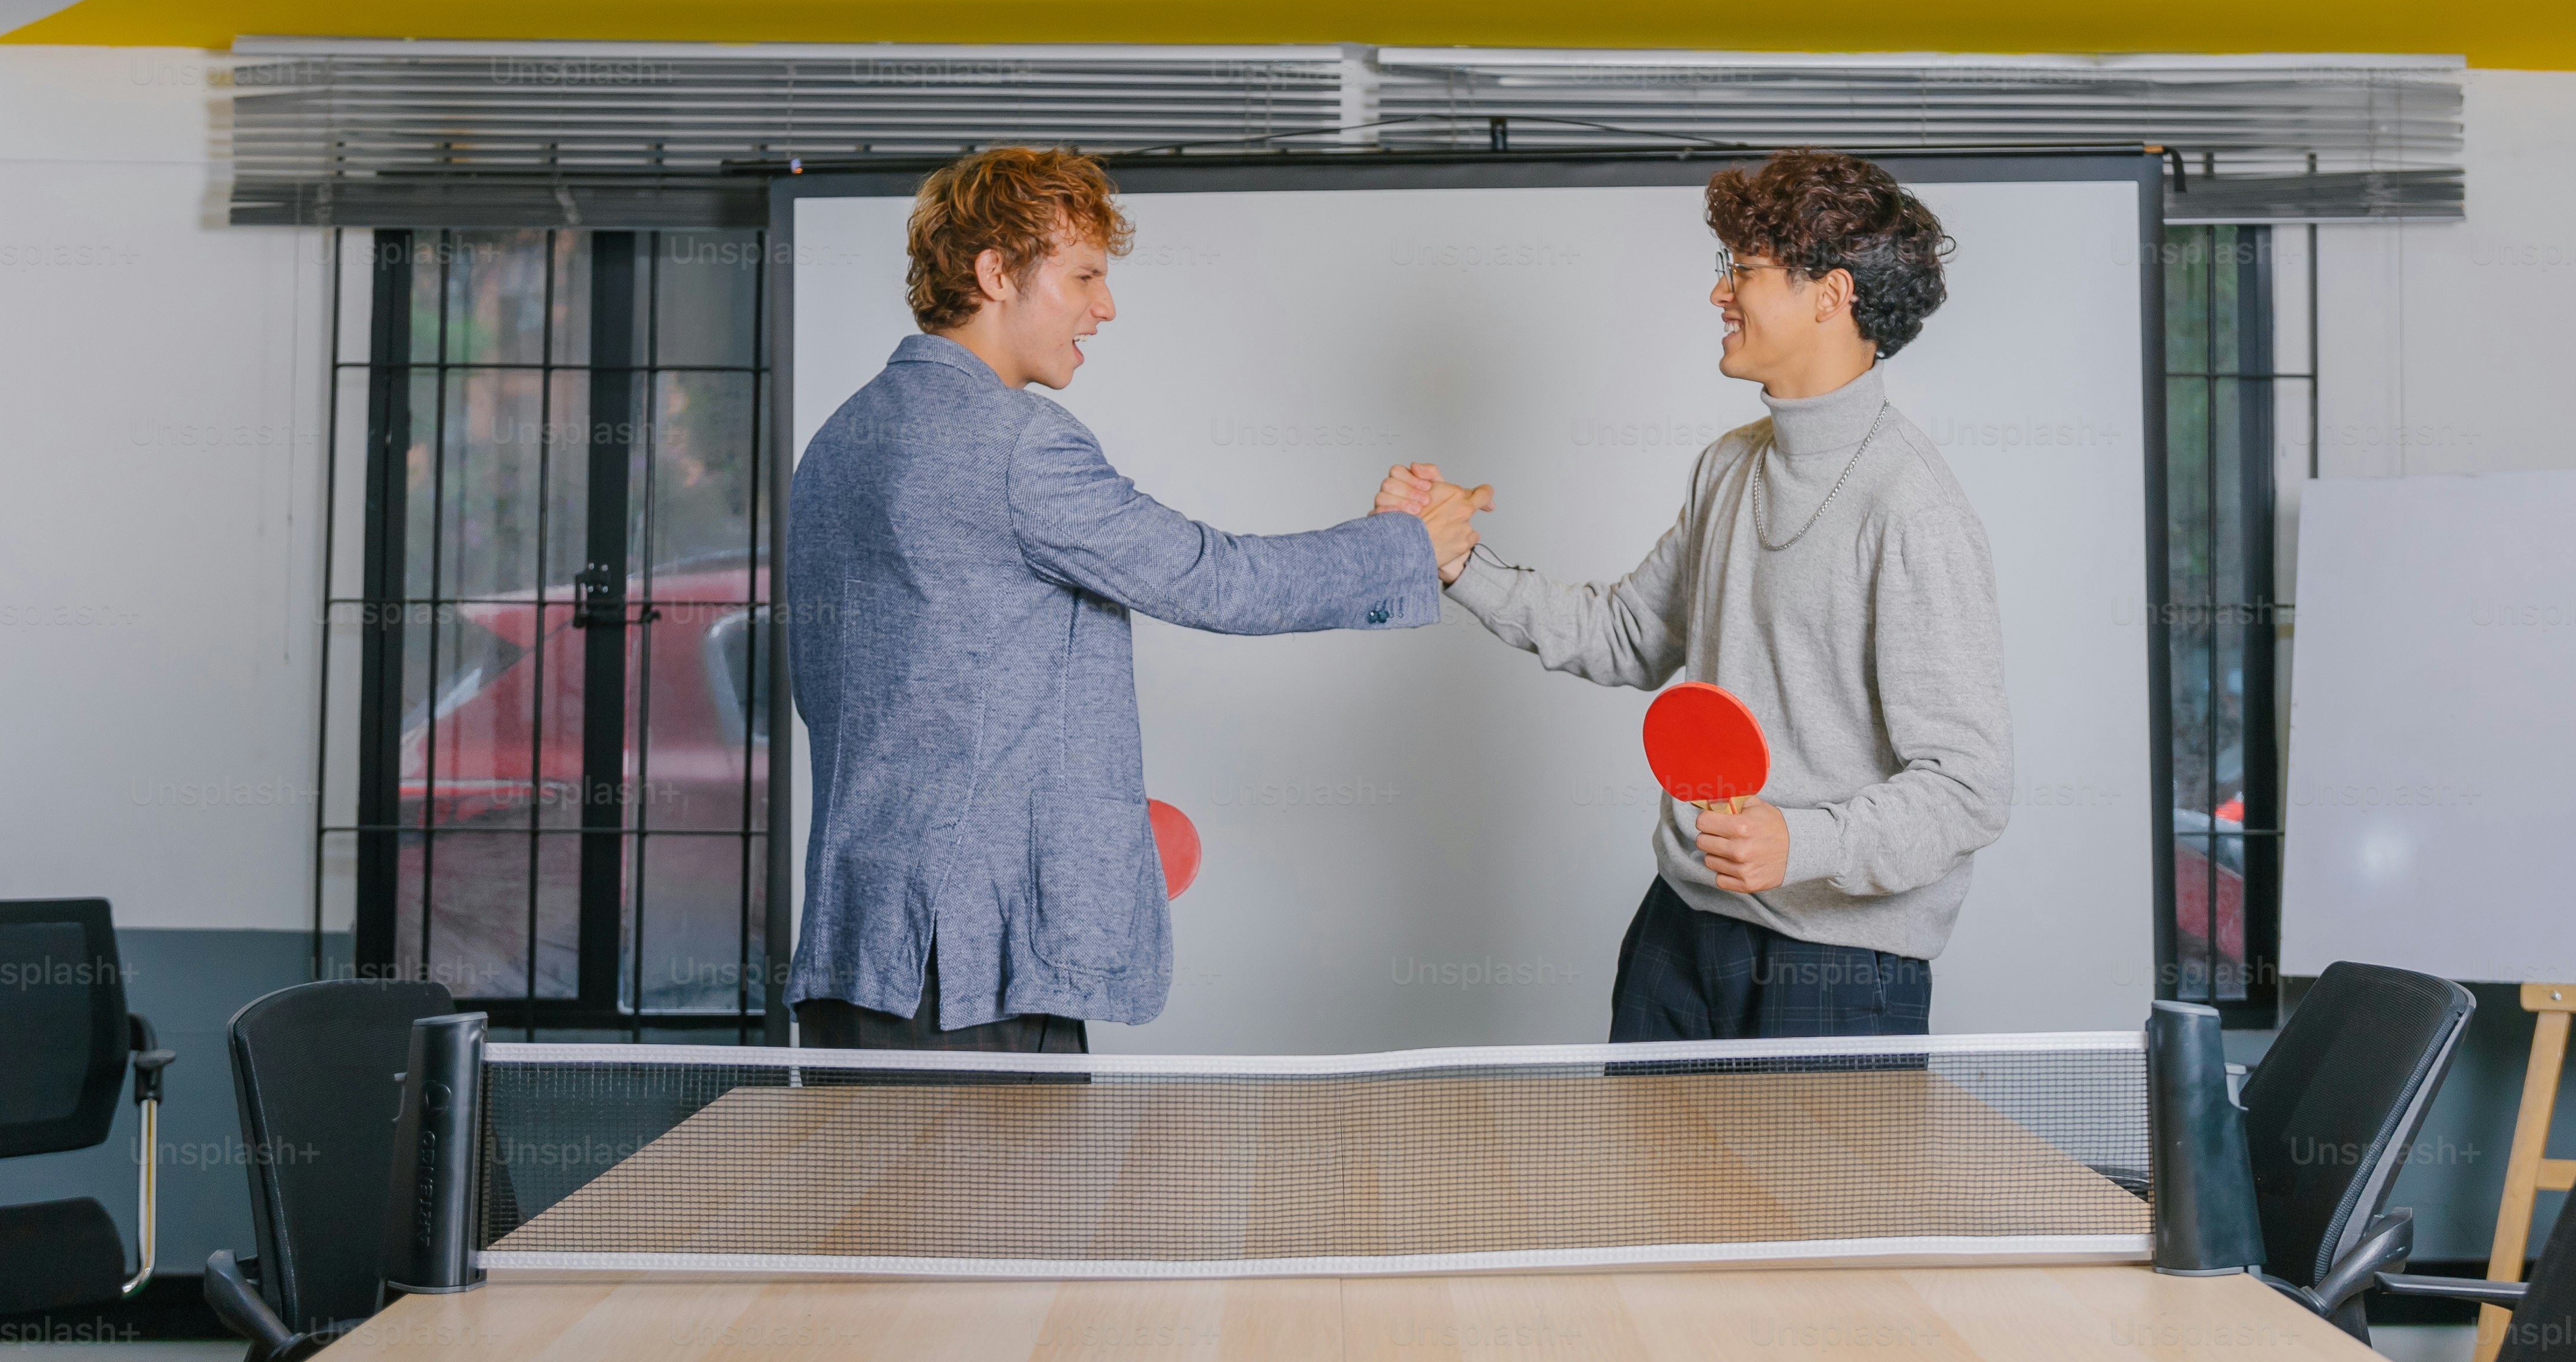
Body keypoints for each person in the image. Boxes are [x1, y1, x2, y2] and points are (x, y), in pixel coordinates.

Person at [789, 146, 1489, 1052]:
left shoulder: (837, 441)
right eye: (1083, 275)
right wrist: (1406, 547)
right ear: (996, 272)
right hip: (973, 977)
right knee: (1014, 1204)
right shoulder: (1016, 447)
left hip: (857, 957)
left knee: (870, 1201)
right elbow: (1212, 578)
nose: (1104, 305)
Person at [1381, 150, 2009, 1039]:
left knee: (1803, 1193)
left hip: (1834, 964)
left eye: (1742, 271)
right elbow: (1628, 633)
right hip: (1683, 927)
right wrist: (1455, 563)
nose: (1720, 294)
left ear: (1830, 296)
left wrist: (1803, 841)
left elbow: (1969, 788)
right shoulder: (1729, 466)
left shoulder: (1914, 510)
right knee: (1646, 1186)